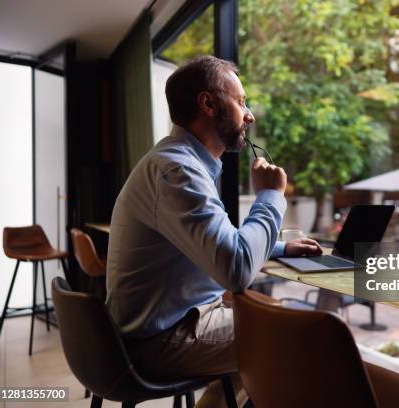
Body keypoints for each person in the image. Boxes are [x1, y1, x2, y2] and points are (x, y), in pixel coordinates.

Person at [105, 55, 322, 407]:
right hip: (157, 342)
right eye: (241, 101)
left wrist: (279, 247)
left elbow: (216, 244)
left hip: (153, 327)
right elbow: (235, 270)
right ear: (208, 103)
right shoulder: (178, 172)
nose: (249, 115)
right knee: (295, 336)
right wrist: (269, 195)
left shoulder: (176, 162)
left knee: (273, 311)